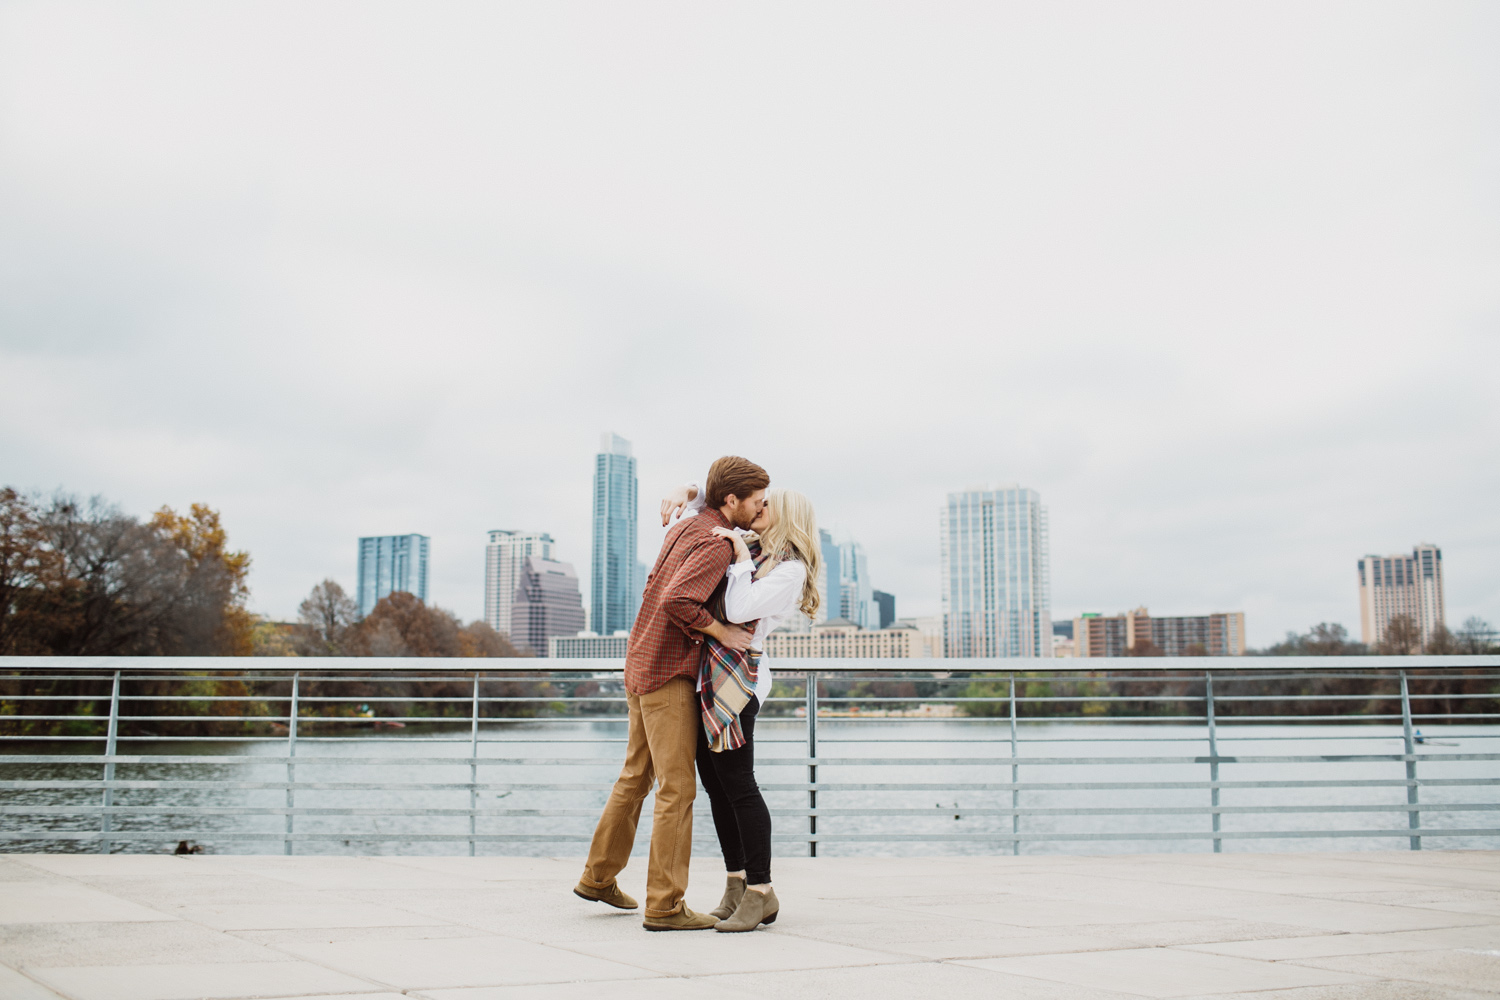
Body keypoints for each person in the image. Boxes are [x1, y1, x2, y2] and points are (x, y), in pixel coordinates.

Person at [574, 455, 769, 931]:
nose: (761, 508)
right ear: (732, 500)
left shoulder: (685, 526)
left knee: (635, 777)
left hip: (640, 662)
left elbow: (658, 587)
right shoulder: (718, 544)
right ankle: (664, 904)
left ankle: (599, 877)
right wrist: (721, 631)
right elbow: (677, 598)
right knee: (677, 789)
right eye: (757, 502)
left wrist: (686, 489)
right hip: (669, 673)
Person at [661, 481, 822, 932]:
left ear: (786, 514)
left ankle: (761, 891)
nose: (758, 508)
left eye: (768, 504)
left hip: (738, 684)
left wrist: (739, 558)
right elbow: (716, 505)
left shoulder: (789, 570)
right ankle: (736, 883)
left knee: (739, 784)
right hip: (708, 679)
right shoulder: (754, 547)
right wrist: (688, 491)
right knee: (715, 784)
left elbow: (737, 609)